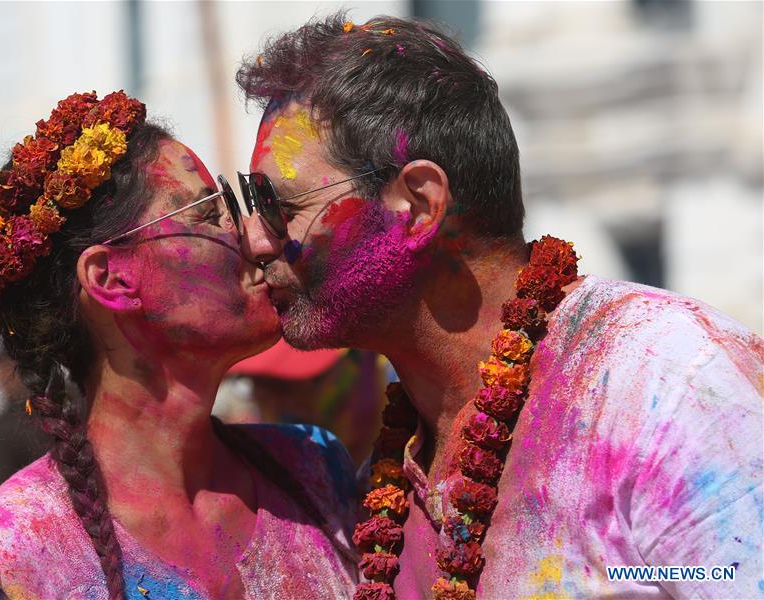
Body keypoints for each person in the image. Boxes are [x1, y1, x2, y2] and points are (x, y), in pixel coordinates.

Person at [236, 14, 763, 599]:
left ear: (417, 205)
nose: (255, 239)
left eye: (279, 204)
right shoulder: (380, 497)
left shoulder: (665, 377)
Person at [0, 91, 358, 599]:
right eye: (210, 214)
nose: (257, 239)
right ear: (111, 280)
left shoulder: (315, 473)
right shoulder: (5, 565)